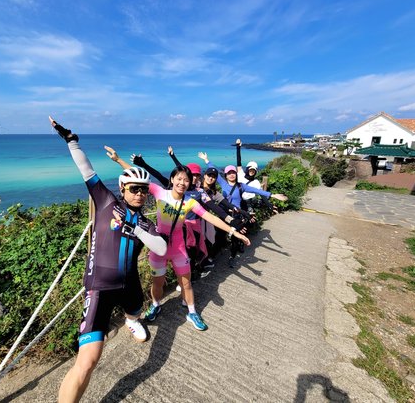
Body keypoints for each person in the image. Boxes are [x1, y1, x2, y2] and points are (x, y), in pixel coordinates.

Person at [50, 117, 167, 403]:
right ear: (123, 189)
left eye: (143, 189)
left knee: (136, 311)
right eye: (134, 189)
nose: (140, 194)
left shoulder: (144, 222)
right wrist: (71, 140)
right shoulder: (105, 202)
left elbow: (161, 248)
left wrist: (136, 228)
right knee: (88, 361)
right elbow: (86, 169)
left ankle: (130, 321)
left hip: (128, 284)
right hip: (100, 287)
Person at [106, 146, 251, 331]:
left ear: (190, 183)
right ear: (172, 179)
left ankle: (191, 312)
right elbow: (136, 178)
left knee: (186, 283)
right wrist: (119, 160)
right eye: (179, 178)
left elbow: (211, 217)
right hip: (159, 247)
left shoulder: (190, 202)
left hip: (179, 249)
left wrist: (234, 231)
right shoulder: (160, 192)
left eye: (187, 179)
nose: (183, 182)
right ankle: (156, 305)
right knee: (157, 282)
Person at [198, 150, 288, 266]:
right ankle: (211, 257)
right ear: (225, 175)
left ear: (236, 174)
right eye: (229, 173)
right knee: (219, 236)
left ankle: (232, 256)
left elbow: (257, 191)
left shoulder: (241, 186)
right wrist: (206, 160)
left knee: (235, 239)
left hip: (237, 214)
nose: (231, 174)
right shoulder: (223, 183)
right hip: (224, 214)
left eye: (233, 172)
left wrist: (273, 195)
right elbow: (212, 170)